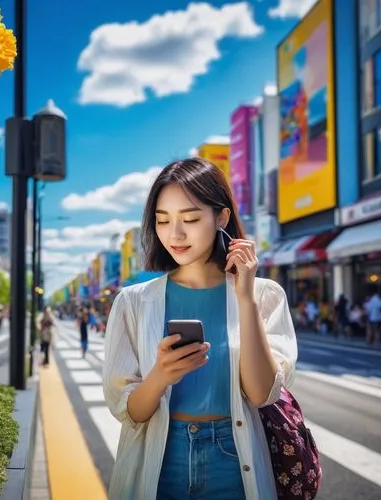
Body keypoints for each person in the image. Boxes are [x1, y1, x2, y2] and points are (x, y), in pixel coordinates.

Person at [103, 158, 297, 500]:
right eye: (162, 221)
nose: (174, 234)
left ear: (221, 218)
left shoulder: (265, 295)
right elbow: (129, 412)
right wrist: (160, 376)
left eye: (190, 219)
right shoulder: (132, 302)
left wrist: (246, 300)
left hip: (235, 459)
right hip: (160, 458)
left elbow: (262, 394)